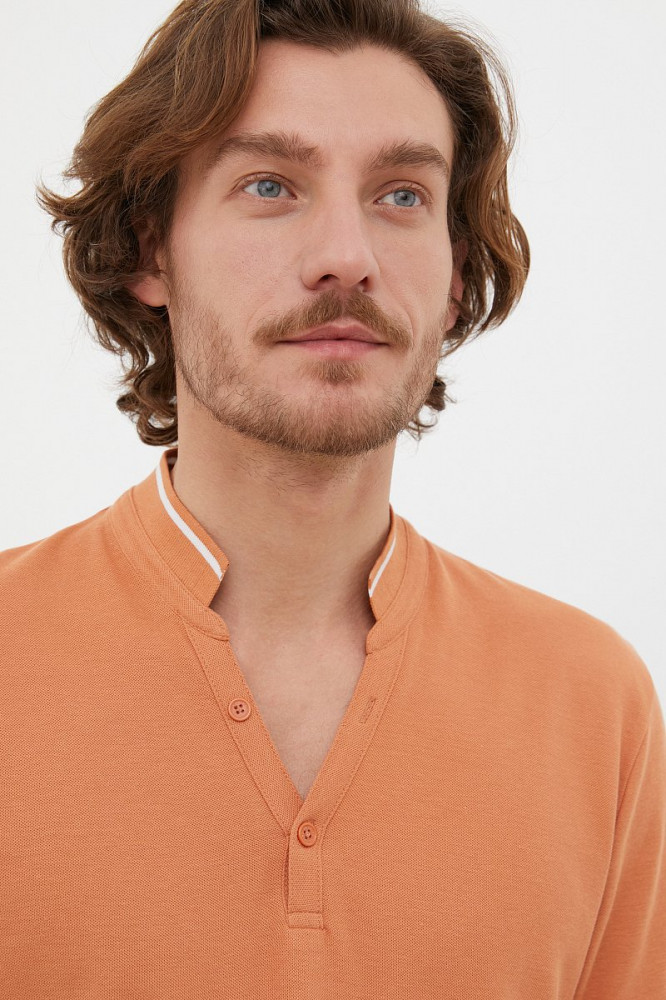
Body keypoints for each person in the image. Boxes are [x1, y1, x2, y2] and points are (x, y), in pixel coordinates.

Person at [1, 0, 664, 995]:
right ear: (150, 250)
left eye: (402, 195)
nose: (347, 254)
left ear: (456, 273)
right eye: (270, 185)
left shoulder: (593, 704)